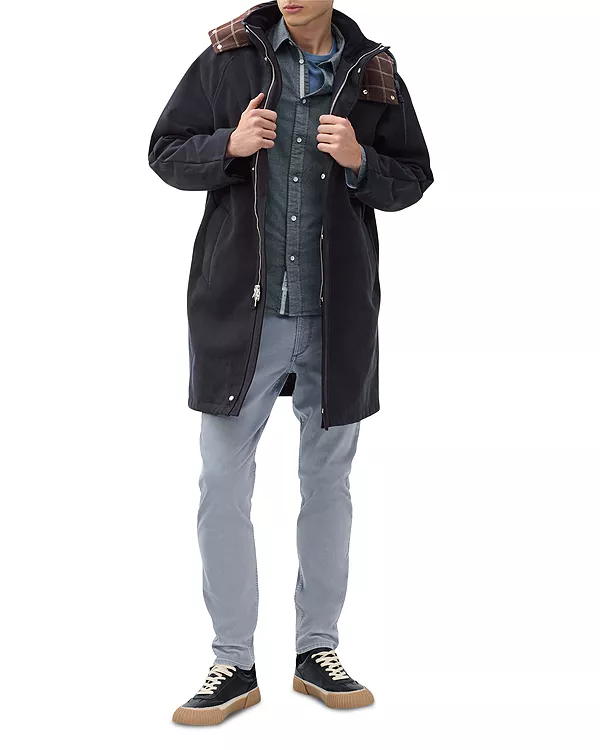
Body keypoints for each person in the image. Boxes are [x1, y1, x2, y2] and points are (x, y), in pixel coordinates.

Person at [148, 0, 433, 725]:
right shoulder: (228, 59)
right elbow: (164, 151)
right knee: (221, 484)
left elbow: (414, 178)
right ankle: (232, 662)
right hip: (239, 316)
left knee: (328, 485)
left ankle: (317, 651)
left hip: (337, 319)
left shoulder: (373, 72)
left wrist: (361, 161)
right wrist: (230, 145)